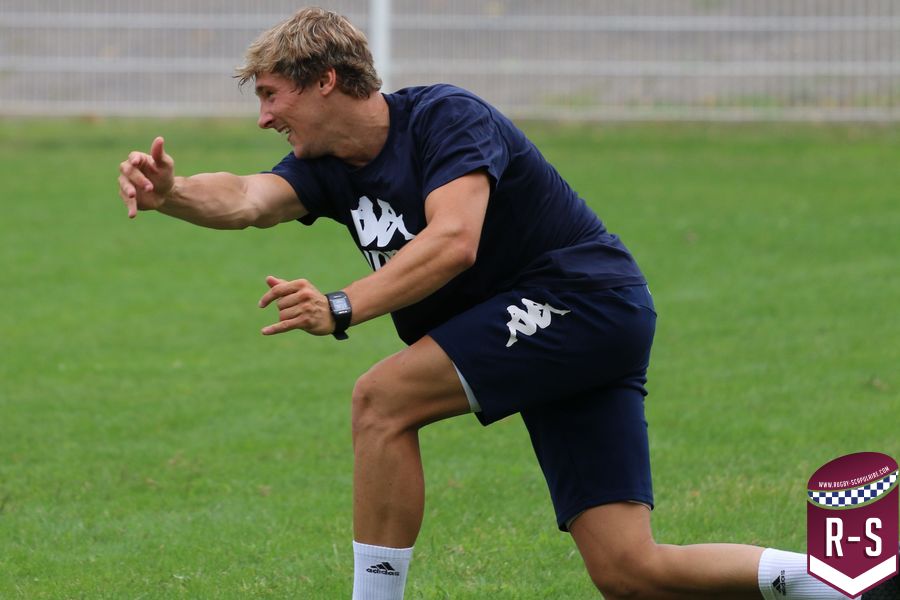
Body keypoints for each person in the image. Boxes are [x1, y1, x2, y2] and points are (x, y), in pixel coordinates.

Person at [117, 7, 899, 600]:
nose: (264, 117)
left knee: (381, 400)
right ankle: (844, 580)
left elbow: (454, 240)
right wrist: (172, 194)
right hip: (564, 333)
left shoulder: (444, 117)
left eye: (271, 95)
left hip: (582, 302)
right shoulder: (326, 165)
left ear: (325, 79)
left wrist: (345, 306)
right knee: (630, 571)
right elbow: (247, 197)